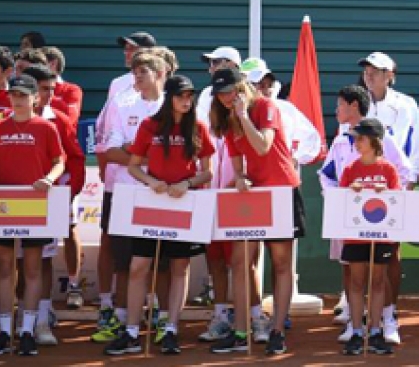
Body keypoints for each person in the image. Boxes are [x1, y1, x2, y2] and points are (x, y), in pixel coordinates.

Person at [104, 75, 214, 356]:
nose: (187, 101)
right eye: (181, 96)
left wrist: (187, 184)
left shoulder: (198, 127)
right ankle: (131, 332)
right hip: (151, 204)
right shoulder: (150, 125)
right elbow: (133, 166)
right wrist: (151, 182)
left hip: (184, 204)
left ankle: (171, 330)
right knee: (139, 266)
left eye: (190, 96)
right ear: (170, 97)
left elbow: (207, 171)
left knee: (179, 267)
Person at [209, 67, 306, 356]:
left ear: (242, 88)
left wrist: (242, 116)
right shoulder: (226, 118)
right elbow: (238, 163)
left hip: (281, 189)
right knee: (240, 262)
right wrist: (239, 178)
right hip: (254, 195)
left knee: (280, 263)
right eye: (221, 94)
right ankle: (241, 331)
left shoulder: (265, 106)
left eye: (230, 91)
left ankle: (276, 331)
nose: (226, 98)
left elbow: (263, 146)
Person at [0, 74, 65, 356]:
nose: (17, 100)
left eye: (24, 95)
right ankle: (5, 330)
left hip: (35, 204)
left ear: (35, 99)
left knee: (32, 268)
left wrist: (50, 179)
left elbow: (58, 161)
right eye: (14, 95)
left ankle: (28, 329)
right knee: (5, 268)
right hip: (3, 205)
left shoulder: (46, 127)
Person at [318, 85, 412, 343]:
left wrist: (391, 195)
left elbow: (403, 173)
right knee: (350, 270)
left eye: (339, 104)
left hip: (382, 222)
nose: (335, 109)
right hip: (348, 220)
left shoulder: (385, 139)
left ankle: (387, 319)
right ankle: (355, 322)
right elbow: (326, 176)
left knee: (383, 270)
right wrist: (340, 197)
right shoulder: (339, 142)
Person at [92, 51, 168, 344]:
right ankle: (123, 321)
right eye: (134, 72)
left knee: (162, 261)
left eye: (143, 72)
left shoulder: (173, 106)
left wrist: (134, 153)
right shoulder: (121, 105)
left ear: (160, 75)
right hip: (123, 192)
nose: (136, 78)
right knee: (124, 261)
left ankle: (161, 320)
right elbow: (110, 151)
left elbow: (177, 155)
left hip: (160, 193)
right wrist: (149, 157)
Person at [358, 51, 419, 345]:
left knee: (391, 253)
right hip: (359, 188)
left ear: (390, 75)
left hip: (395, 188)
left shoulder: (406, 105)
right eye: (368, 70)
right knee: (356, 253)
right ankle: (356, 312)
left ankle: (389, 314)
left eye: (377, 70)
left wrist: (407, 183)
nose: (370, 74)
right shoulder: (357, 100)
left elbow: (415, 145)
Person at [21, 64, 87, 340]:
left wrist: (67, 192)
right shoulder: (6, 119)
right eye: (44, 89)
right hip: (12, 203)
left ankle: (43, 319)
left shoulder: (59, 118)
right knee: (13, 262)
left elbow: (75, 159)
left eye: (52, 88)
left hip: (50, 200)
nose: (50, 94)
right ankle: (18, 317)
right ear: (32, 91)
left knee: (43, 260)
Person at [339, 118, 402, 356]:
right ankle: (356, 331)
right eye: (356, 138)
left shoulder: (388, 169)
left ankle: (375, 331)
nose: (357, 142)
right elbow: (342, 202)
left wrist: (385, 193)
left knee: (377, 282)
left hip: (382, 236)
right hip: (355, 237)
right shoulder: (350, 169)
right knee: (356, 282)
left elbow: (397, 200)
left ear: (375, 141)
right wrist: (350, 191)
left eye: (361, 138)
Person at [194, 45, 243, 343]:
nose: (211, 67)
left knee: (242, 262)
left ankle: (249, 316)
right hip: (210, 195)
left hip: (239, 198)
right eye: (210, 64)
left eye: (216, 63)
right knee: (214, 259)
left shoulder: (251, 109)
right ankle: (221, 314)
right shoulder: (205, 99)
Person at [41, 46, 83, 126]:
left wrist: (44, 96)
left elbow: (71, 118)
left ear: (52, 64)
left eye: (40, 63)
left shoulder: (72, 89)